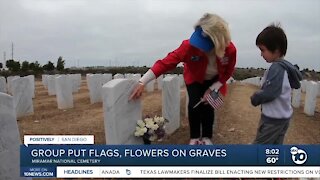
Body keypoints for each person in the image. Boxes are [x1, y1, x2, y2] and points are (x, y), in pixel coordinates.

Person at [129, 13, 237, 145]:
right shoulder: (188, 46)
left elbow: (228, 71)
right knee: (194, 105)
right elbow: (165, 63)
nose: (199, 46)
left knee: (208, 106)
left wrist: (213, 88)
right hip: (194, 78)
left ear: (217, 41)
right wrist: (142, 81)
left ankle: (207, 137)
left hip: (214, 80)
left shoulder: (230, 50)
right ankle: (195, 137)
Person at [251, 23, 302, 144]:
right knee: (275, 150)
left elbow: (271, 92)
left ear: (276, 50)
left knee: (259, 149)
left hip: (272, 120)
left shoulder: (276, 68)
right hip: (283, 118)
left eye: (263, 50)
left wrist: (255, 98)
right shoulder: (286, 67)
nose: (261, 54)